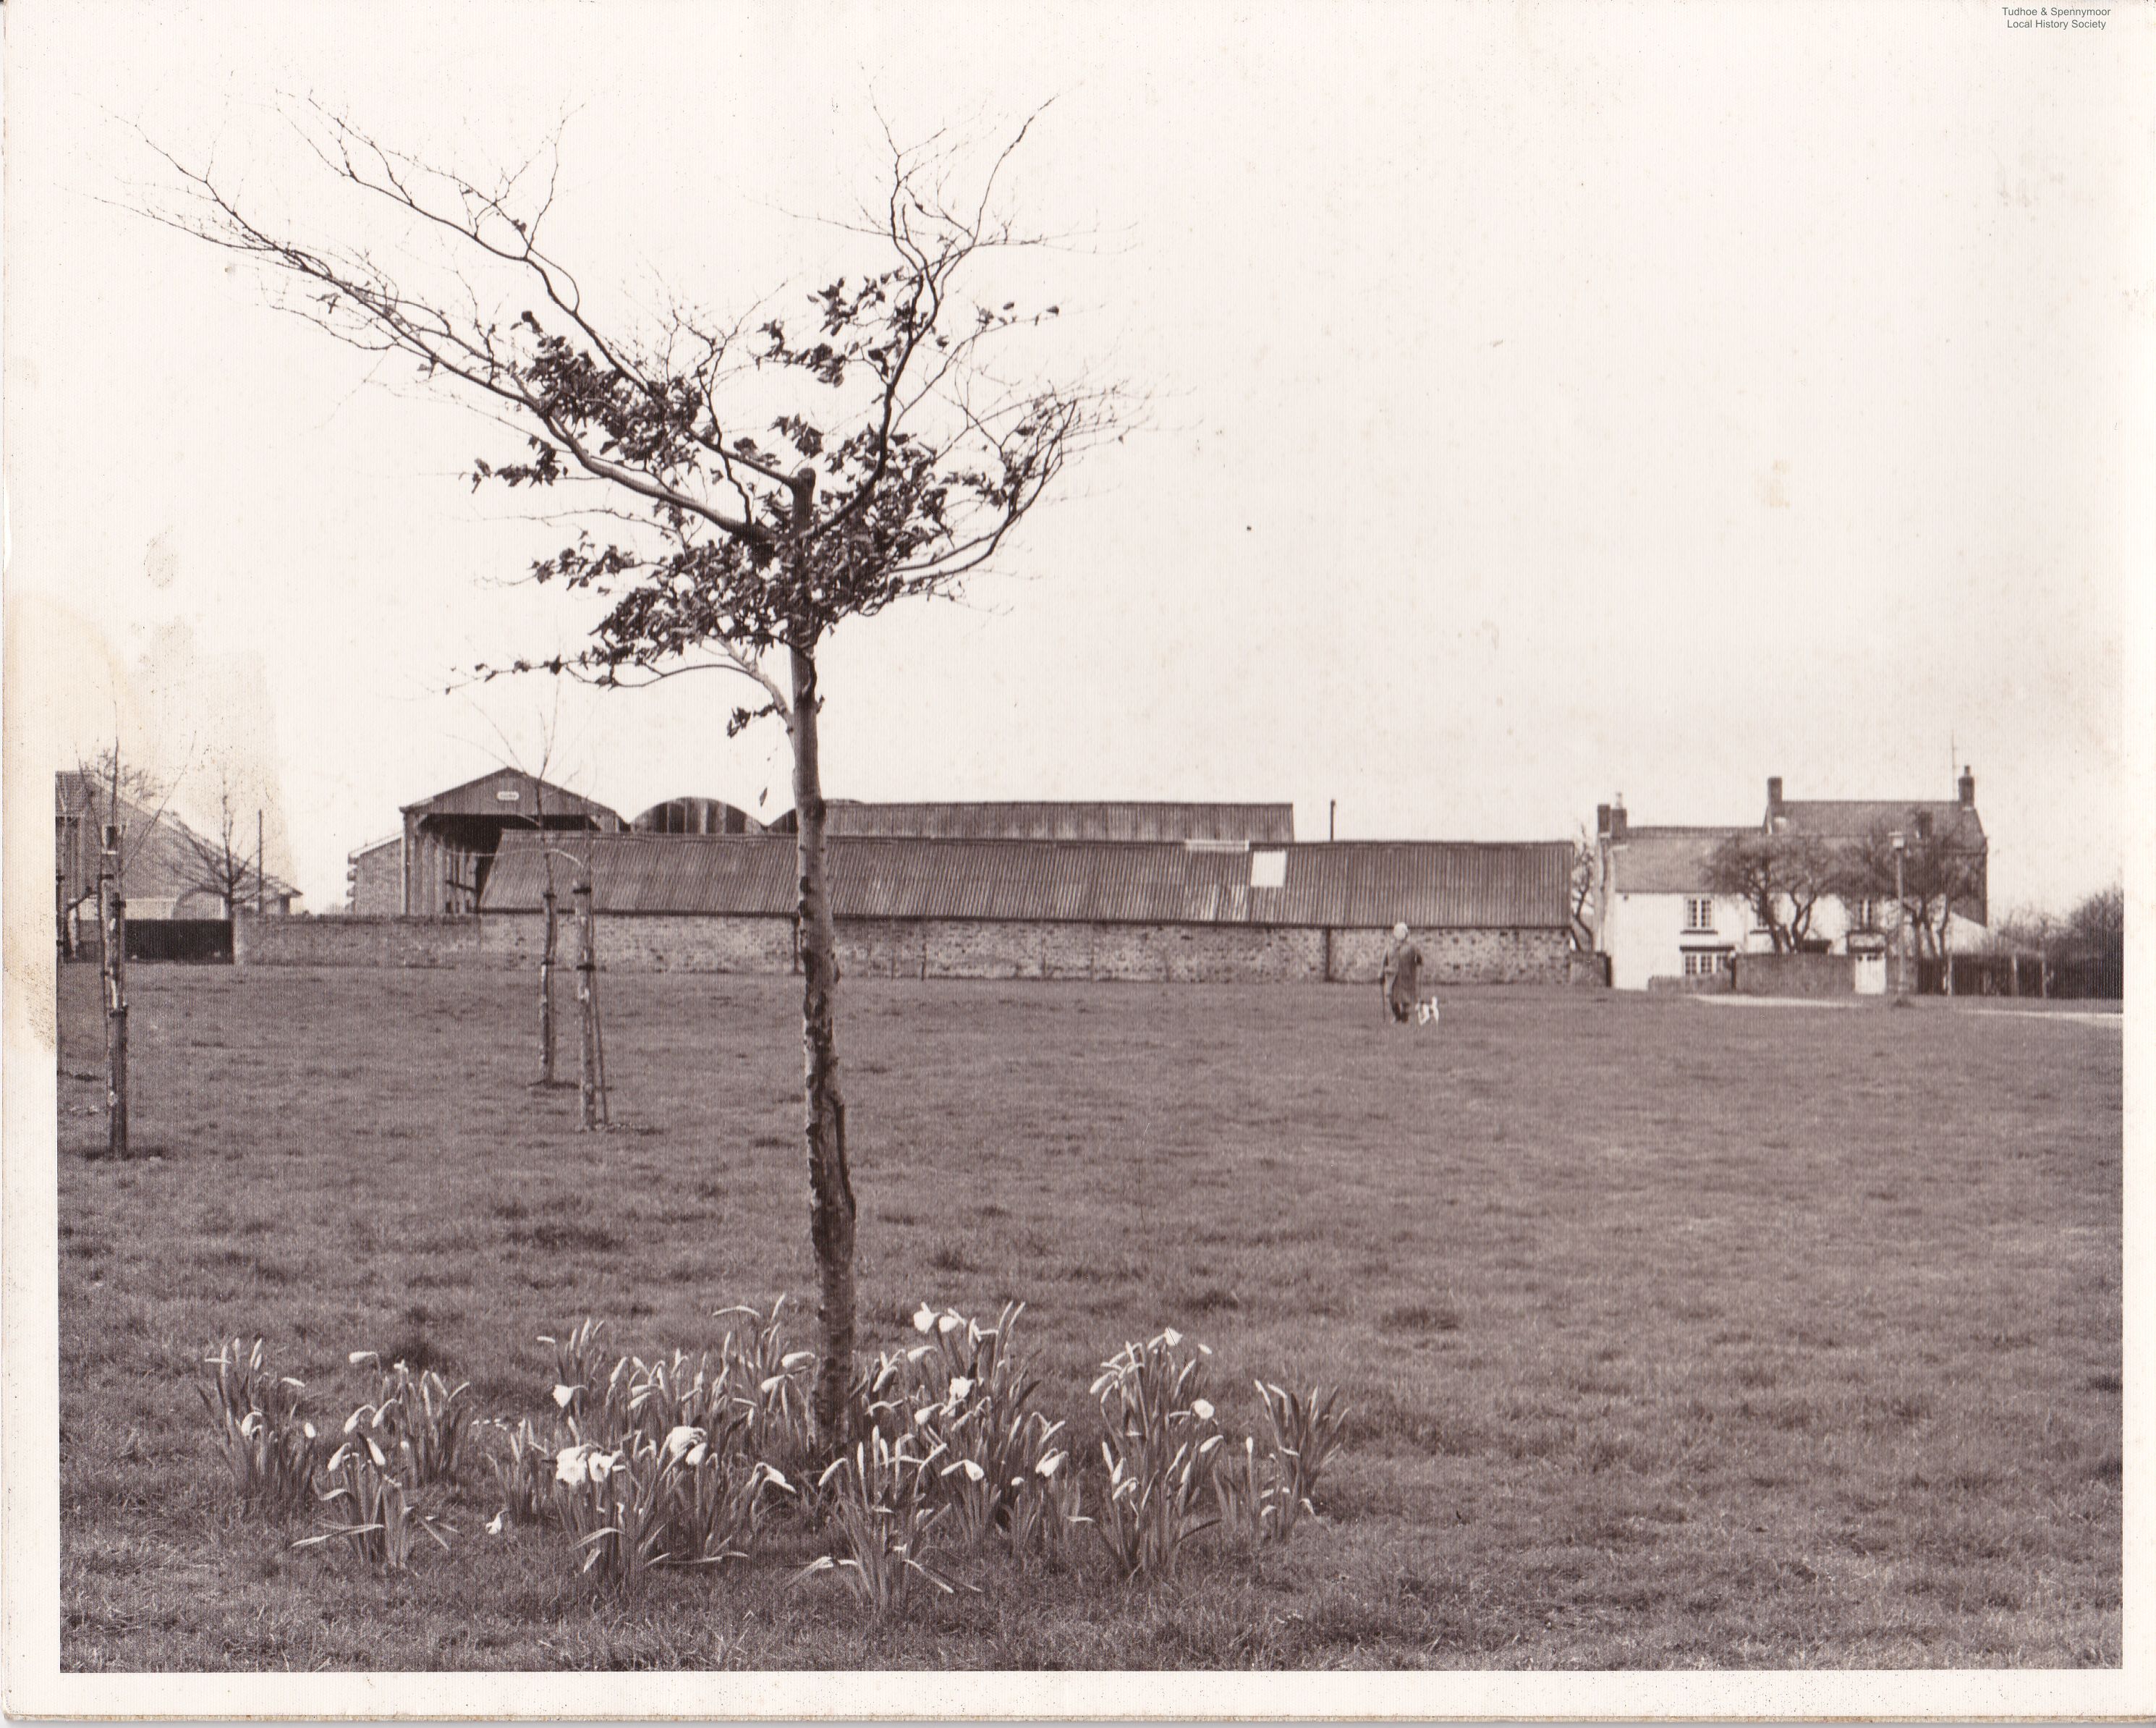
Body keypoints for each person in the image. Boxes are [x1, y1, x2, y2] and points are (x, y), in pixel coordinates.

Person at [1380, 921, 1423, 1024]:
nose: (1400, 934)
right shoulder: (1390, 946)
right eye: (1397, 931)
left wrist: (1418, 960)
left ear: (1406, 933)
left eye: (1402, 932)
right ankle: (1397, 1015)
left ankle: (1405, 1017)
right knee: (1391, 996)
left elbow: (1419, 959)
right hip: (1392, 976)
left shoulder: (1412, 947)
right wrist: (1381, 973)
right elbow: (1384, 961)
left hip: (1406, 975)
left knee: (1406, 998)